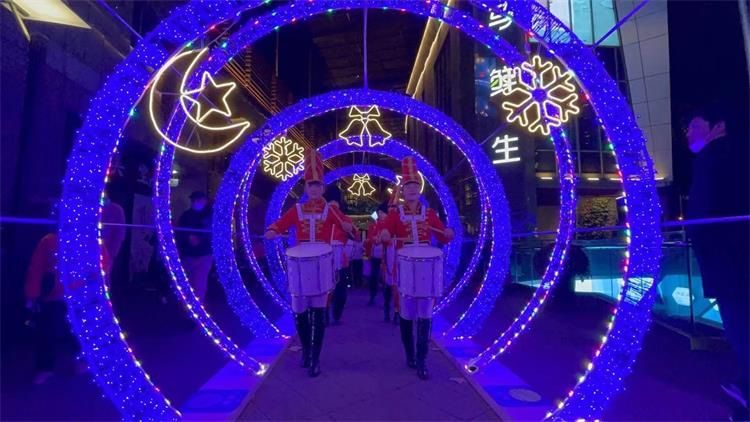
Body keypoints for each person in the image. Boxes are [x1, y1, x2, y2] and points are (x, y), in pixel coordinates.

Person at [265, 149, 355, 377]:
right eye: (310, 185)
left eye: (317, 185)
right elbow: (280, 224)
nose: (314, 189)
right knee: (300, 313)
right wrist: (273, 230)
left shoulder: (331, 210)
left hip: (322, 266)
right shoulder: (296, 210)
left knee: (318, 312)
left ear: (323, 188)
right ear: (305, 188)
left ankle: (315, 357)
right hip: (299, 266)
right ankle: (306, 349)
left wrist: (349, 227)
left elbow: (349, 227)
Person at [685, 104, 749, 416]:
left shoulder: (710, 158)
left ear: (717, 126)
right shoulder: (739, 155)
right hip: (738, 260)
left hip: (729, 265)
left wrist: (701, 245)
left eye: (695, 126)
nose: (688, 133)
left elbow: (699, 216)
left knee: (740, 328)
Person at [381, 157, 455, 380]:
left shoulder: (429, 214)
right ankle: (410, 354)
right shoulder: (395, 214)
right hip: (404, 267)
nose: (412, 189)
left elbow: (443, 236)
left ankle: (422, 360)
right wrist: (385, 234)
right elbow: (385, 232)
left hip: (426, 268)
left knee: (425, 314)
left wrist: (448, 233)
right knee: (406, 314)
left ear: (419, 189)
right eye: (408, 186)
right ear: (403, 191)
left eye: (415, 185)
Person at [25, 232, 102, 384]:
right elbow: (36, 269)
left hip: (82, 296)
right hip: (55, 296)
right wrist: (32, 294)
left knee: (82, 332)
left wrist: (97, 291)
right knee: (47, 331)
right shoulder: (49, 240)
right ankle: (45, 367)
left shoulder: (90, 238)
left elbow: (102, 265)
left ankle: (83, 360)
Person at [178, 191, 213, 302]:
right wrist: (188, 238)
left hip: (204, 254)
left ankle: (197, 306)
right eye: (194, 200)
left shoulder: (210, 216)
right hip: (188, 254)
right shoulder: (186, 215)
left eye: (198, 200)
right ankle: (188, 305)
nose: (195, 202)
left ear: (205, 201)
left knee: (199, 283)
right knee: (188, 282)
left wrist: (200, 239)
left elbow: (213, 234)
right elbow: (180, 232)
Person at [365, 203, 387, 309]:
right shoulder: (374, 225)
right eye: (379, 213)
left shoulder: (389, 224)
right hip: (375, 255)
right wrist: (374, 239)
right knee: (373, 277)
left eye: (382, 213)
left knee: (386, 278)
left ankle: (387, 300)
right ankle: (372, 296)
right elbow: (370, 237)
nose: (380, 215)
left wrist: (381, 239)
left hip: (385, 256)